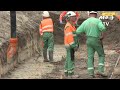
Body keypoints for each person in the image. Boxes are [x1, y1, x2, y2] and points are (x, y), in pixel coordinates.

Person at [76, 11, 107, 78]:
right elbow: (103, 28)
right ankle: (100, 71)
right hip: (96, 39)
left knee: (90, 56)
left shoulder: (85, 22)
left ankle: (90, 73)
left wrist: (86, 32)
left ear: (89, 14)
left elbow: (78, 31)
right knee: (101, 55)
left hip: (88, 40)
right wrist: (102, 36)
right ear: (96, 14)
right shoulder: (98, 21)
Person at [64, 11, 79, 78]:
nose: (75, 18)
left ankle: (67, 73)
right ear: (69, 18)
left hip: (70, 45)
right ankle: (71, 75)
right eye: (73, 17)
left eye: (75, 17)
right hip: (70, 45)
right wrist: (74, 46)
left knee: (68, 59)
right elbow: (70, 38)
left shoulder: (71, 25)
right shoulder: (68, 26)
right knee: (71, 59)